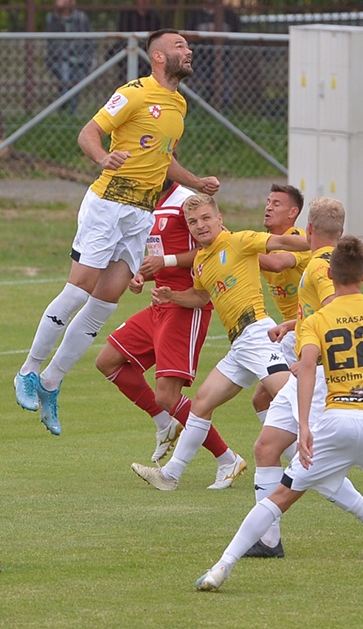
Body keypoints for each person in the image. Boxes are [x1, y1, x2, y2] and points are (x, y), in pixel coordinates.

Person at [195, 236, 363, 597]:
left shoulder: (316, 319)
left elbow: (306, 367)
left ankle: (221, 567)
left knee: (279, 498)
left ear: (331, 277)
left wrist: (305, 425)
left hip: (335, 424)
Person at [14, 29, 220, 436]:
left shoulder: (178, 103)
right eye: (180, 46)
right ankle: (28, 371)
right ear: (159, 57)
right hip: (109, 204)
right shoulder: (134, 92)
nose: (188, 50)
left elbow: (163, 160)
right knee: (80, 287)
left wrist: (195, 181)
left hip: (139, 214)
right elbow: (87, 132)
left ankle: (52, 382)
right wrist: (103, 156)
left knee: (105, 303)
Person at [245, 197, 363, 563]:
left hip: (321, 377)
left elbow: (338, 311)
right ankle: (268, 540)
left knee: (309, 462)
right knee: (268, 448)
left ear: (308, 230)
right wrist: (292, 325)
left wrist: (311, 358)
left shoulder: (317, 265)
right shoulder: (327, 263)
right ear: (340, 233)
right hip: (311, 371)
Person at [130, 193, 310, 491]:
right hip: (239, 345)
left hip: (256, 333)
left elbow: (282, 244)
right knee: (201, 403)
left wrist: (325, 241)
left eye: (205, 219)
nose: (200, 226)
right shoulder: (200, 261)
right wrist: (172, 296)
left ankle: (314, 460)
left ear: (219, 219)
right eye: (192, 222)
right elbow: (201, 297)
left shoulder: (239, 240)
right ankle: (169, 475)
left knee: (289, 395)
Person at [95, 177, 246, 490]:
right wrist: (139, 275)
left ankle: (227, 458)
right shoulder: (149, 201)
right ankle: (165, 422)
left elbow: (214, 247)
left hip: (184, 305)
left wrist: (164, 264)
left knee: (168, 395)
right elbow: (154, 251)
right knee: (107, 361)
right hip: (159, 302)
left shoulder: (187, 201)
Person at [251, 183, 311, 423]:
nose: (268, 207)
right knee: (263, 399)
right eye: (268, 202)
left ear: (292, 213)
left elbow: (277, 264)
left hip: (309, 329)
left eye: (276, 204)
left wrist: (235, 249)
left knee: (292, 399)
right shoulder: (266, 242)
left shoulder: (299, 239)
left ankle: (307, 452)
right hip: (291, 330)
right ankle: (297, 457)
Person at [186, 0, 241, 108]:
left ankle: (224, 107)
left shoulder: (229, 14)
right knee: (199, 80)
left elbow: (236, 34)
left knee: (225, 81)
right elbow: (188, 34)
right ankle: (197, 105)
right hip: (201, 55)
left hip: (224, 55)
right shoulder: (195, 14)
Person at [45, 0, 94, 111]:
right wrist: (59, 11)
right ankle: (67, 109)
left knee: (77, 82)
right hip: (60, 59)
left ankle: (67, 110)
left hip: (80, 58)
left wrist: (90, 57)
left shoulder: (81, 17)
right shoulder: (52, 18)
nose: (65, 0)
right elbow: (51, 42)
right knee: (66, 79)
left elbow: (89, 40)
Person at [106, 0, 163, 78]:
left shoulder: (155, 17)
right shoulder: (126, 14)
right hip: (127, 48)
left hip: (147, 51)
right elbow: (122, 34)